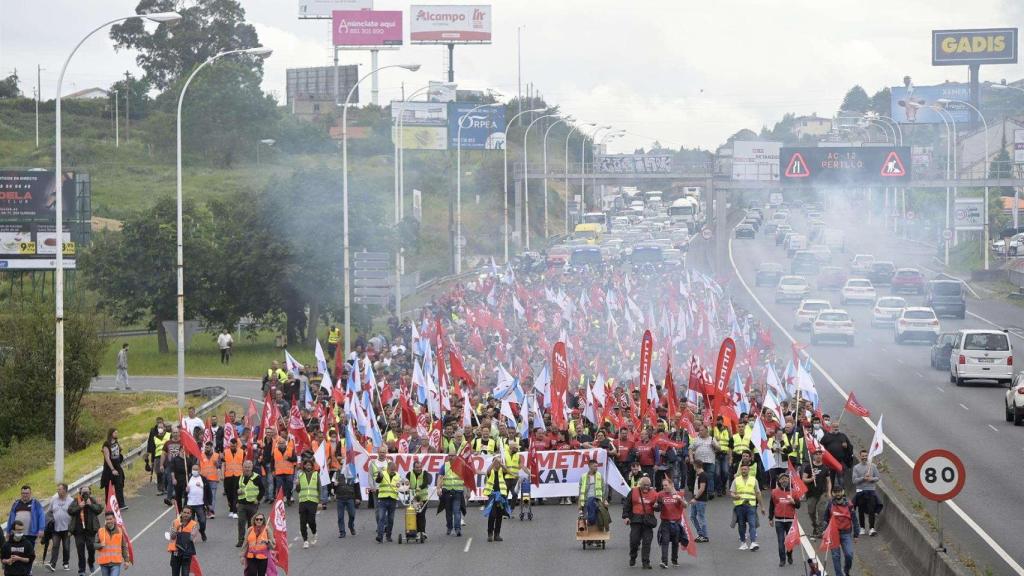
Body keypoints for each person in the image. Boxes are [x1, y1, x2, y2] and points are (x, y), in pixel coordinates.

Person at [622, 475, 658, 569]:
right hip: (636, 520)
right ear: (640, 484)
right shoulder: (633, 491)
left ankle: (646, 562)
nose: (646, 487)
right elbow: (627, 504)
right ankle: (633, 557)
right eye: (644, 485)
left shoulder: (654, 493)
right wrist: (625, 517)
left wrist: (657, 506)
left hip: (648, 521)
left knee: (647, 542)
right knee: (634, 541)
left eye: (648, 485)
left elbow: (659, 507)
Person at [823, 485, 859, 576]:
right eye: (835, 492)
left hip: (846, 533)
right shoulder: (830, 504)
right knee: (836, 556)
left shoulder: (849, 505)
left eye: (839, 491)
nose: (837, 493)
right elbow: (825, 518)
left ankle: (846, 570)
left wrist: (856, 534)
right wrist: (825, 529)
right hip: (833, 534)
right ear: (833, 493)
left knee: (849, 554)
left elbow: (854, 520)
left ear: (842, 492)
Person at [68, 486, 103, 576]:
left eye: (87, 492)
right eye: (83, 492)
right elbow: (70, 511)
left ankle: (91, 562)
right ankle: (81, 570)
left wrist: (90, 504)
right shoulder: (76, 500)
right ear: (80, 493)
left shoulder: (92, 500)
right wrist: (79, 507)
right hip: (78, 531)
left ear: (90, 492)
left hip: (90, 531)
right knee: (80, 551)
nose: (85, 494)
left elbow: (99, 509)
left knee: (91, 549)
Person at [768, 472, 800, 567]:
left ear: (789, 480)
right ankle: (782, 559)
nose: (784, 480)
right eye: (782, 479)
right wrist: (770, 518)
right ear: (779, 481)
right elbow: (771, 505)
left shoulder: (793, 492)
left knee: (790, 541)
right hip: (779, 521)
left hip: (790, 521)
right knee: (780, 541)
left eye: (786, 478)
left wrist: (793, 502)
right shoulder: (774, 492)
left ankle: (789, 554)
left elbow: (798, 506)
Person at [729, 461, 762, 551]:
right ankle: (743, 542)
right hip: (739, 506)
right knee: (741, 525)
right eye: (742, 469)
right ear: (740, 470)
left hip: (751, 506)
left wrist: (762, 507)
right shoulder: (736, 480)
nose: (744, 471)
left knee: (752, 524)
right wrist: (734, 496)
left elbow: (758, 493)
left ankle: (753, 542)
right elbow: (731, 492)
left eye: (745, 469)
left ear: (748, 470)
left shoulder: (754, 480)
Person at [656, 477, 687, 569]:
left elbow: (685, 505)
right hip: (665, 522)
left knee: (675, 542)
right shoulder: (661, 494)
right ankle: (664, 561)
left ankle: (674, 560)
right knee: (665, 541)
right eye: (663, 485)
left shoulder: (679, 494)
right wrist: (656, 506)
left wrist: (679, 499)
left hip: (676, 523)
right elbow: (657, 506)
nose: (664, 487)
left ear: (671, 485)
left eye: (666, 485)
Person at [235, 461, 265, 548]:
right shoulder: (239, 477)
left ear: (252, 468)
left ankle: (250, 540)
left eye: (249, 467)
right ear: (243, 467)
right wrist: (237, 492)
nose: (247, 469)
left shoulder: (257, 477)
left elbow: (262, 490)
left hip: (252, 504)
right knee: (241, 522)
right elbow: (235, 490)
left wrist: (258, 499)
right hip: (242, 504)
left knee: (251, 523)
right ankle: (240, 540)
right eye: (245, 467)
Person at [802, 451, 832, 538]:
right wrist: (811, 479)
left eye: (820, 454)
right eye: (816, 454)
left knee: (821, 512)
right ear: (813, 456)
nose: (818, 456)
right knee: (811, 512)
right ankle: (815, 525)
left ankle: (820, 530)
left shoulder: (825, 468)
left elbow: (829, 481)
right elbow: (803, 479)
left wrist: (829, 492)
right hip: (811, 493)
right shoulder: (809, 467)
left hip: (823, 493)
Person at [45, 483, 73, 572]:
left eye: (60, 489)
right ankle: (52, 564)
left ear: (65, 490)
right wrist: (50, 520)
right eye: (57, 489)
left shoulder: (71, 501)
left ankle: (66, 563)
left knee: (66, 547)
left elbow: (74, 516)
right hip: (55, 528)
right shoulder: (54, 500)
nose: (58, 491)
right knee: (55, 546)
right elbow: (48, 512)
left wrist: (72, 529)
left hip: (67, 529)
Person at [7, 486, 45, 551]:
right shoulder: (16, 503)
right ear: (21, 494)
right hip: (17, 533)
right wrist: (8, 531)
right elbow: (10, 518)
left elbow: (41, 516)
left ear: (30, 493)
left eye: (27, 493)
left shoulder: (35, 503)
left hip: (30, 534)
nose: (25, 495)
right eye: (23, 493)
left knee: (29, 552)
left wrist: (41, 529)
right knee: (18, 551)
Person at [852, 449, 880, 536]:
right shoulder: (856, 467)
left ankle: (871, 528)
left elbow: (878, 477)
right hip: (860, 491)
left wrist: (871, 479)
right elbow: (854, 480)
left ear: (868, 456)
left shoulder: (873, 466)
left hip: (871, 491)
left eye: (866, 456)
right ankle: (862, 528)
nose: (864, 457)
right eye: (863, 456)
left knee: (871, 510)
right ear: (860, 457)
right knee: (861, 510)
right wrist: (863, 478)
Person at [482, 458, 510, 543]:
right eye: (496, 463)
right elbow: (488, 470)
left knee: (499, 515)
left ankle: (497, 534)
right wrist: (494, 462)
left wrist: (501, 464)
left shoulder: (502, 471)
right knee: (492, 515)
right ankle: (490, 534)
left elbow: (507, 471)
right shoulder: (491, 472)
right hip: (492, 496)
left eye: (498, 463)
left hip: (501, 496)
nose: (497, 464)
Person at [437, 455, 464, 537]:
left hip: (458, 492)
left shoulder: (461, 465)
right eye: (450, 456)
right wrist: (438, 488)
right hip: (447, 492)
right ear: (448, 457)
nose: (451, 457)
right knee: (448, 512)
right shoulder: (445, 466)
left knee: (457, 511)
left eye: (453, 456)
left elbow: (466, 476)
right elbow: (440, 477)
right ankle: (449, 527)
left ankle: (457, 529)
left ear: (456, 457)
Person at [95, 511, 129, 576]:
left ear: (114, 519)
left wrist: (126, 560)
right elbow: (94, 545)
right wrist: (100, 545)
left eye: (110, 519)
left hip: (115, 563)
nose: (109, 521)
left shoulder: (119, 531)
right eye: (107, 519)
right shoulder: (100, 531)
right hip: (104, 563)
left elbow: (123, 546)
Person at [167, 507, 198, 576]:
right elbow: (172, 537)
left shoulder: (194, 524)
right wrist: (175, 530)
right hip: (176, 552)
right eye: (184, 512)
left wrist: (183, 529)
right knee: (175, 574)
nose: (186, 514)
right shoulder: (175, 522)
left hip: (186, 553)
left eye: (188, 513)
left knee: (185, 574)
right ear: (181, 513)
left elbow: (192, 538)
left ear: (191, 514)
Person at [374, 460, 399, 543]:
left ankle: (388, 536)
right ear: (388, 468)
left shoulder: (398, 476)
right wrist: (379, 476)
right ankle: (380, 536)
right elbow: (377, 481)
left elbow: (400, 487)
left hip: (393, 499)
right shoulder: (382, 473)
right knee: (381, 518)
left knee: (390, 519)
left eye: (394, 469)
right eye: (391, 469)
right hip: (383, 499)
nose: (393, 471)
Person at [407, 460, 432, 541]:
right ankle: (415, 531)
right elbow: (406, 483)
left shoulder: (424, 473)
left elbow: (426, 482)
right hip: (413, 499)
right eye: (417, 467)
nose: (418, 469)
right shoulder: (409, 474)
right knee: (414, 515)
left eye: (420, 467)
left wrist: (420, 487)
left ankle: (422, 532)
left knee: (421, 514)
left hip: (423, 498)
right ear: (414, 467)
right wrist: (406, 488)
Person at [577, 458, 607, 528]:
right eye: (595, 466)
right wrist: (579, 503)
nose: (596, 468)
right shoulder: (583, 476)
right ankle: (587, 537)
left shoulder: (600, 475)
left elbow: (604, 489)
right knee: (585, 519)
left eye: (597, 466)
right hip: (586, 501)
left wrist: (604, 500)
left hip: (597, 501)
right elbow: (580, 490)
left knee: (598, 519)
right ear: (589, 466)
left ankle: (597, 536)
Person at [101, 429, 126, 510]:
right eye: (115, 432)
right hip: (109, 469)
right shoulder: (106, 444)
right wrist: (112, 469)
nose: (117, 434)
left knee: (119, 485)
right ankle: (109, 506)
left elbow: (119, 451)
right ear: (111, 434)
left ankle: (121, 504)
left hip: (118, 466)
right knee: (108, 488)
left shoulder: (116, 442)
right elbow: (107, 458)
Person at [297, 459, 319, 548]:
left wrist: (320, 501)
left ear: (312, 466)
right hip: (303, 501)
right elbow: (298, 490)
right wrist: (297, 485)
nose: (308, 467)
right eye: (306, 465)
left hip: (313, 501)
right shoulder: (300, 475)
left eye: (310, 465)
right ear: (304, 466)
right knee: (302, 522)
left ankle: (314, 532)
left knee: (311, 520)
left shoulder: (316, 474)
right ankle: (305, 540)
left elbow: (319, 488)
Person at [146, 418, 171, 495]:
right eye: (158, 427)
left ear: (164, 428)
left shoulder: (169, 435)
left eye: (161, 427)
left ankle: (167, 488)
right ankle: (160, 489)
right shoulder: (155, 437)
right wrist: (151, 459)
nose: (160, 429)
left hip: (167, 456)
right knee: (159, 473)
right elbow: (152, 447)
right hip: (157, 456)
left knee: (167, 472)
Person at [222, 437, 244, 519]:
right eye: (231, 446)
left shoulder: (242, 452)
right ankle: (231, 510)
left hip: (238, 475)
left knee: (236, 493)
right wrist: (221, 475)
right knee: (229, 493)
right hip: (228, 476)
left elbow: (244, 464)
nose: (233, 448)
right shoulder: (226, 452)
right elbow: (223, 464)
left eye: (234, 446)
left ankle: (235, 511)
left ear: (237, 445)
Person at [185, 464, 208, 542]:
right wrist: (186, 490)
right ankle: (191, 537)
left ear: (199, 470)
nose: (194, 471)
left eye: (196, 469)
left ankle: (202, 531)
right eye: (193, 469)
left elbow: (208, 490)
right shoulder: (188, 479)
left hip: (200, 504)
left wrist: (209, 503)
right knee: (190, 522)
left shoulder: (203, 479)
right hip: (190, 504)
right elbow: (183, 492)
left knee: (202, 521)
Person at [335, 467, 359, 538]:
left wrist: (358, 497)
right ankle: (342, 532)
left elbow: (357, 486)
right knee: (340, 516)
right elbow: (333, 485)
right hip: (340, 498)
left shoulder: (353, 473)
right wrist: (334, 485)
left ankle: (351, 526)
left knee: (352, 514)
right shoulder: (337, 473)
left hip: (350, 498)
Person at [688, 459, 709, 543]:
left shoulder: (703, 475)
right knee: (692, 516)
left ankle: (704, 536)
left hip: (700, 500)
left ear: (696, 466)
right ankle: (700, 534)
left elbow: (702, 488)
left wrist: (695, 498)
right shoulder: (698, 475)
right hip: (696, 499)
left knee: (701, 517)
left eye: (693, 465)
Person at [272, 436, 297, 505]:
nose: (281, 444)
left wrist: (288, 458)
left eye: (283, 443)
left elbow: (295, 459)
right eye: (280, 443)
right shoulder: (275, 450)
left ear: (285, 443)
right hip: (279, 472)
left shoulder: (291, 449)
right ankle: (280, 500)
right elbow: (272, 462)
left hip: (289, 472)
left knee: (289, 486)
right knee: (280, 487)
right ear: (278, 444)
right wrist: (272, 470)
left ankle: (288, 498)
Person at [199, 442, 221, 519]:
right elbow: (197, 466)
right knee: (204, 496)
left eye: (208, 447)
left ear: (212, 447)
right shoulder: (201, 455)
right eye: (205, 447)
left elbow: (220, 466)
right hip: (203, 479)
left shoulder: (216, 455)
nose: (206, 449)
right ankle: (206, 510)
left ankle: (211, 511)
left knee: (212, 496)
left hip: (213, 479)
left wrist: (217, 464)